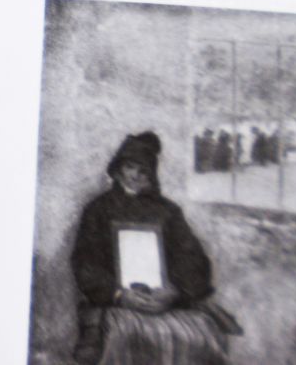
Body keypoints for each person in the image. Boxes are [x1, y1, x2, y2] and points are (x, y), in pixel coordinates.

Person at [70, 132, 240, 365]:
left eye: (143, 170)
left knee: (202, 333)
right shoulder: (97, 210)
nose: (135, 175)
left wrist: (175, 291)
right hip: (116, 303)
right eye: (130, 167)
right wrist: (120, 295)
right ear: (118, 169)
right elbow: (86, 265)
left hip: (165, 303)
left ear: (151, 174)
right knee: (123, 334)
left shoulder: (168, 212)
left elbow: (195, 260)